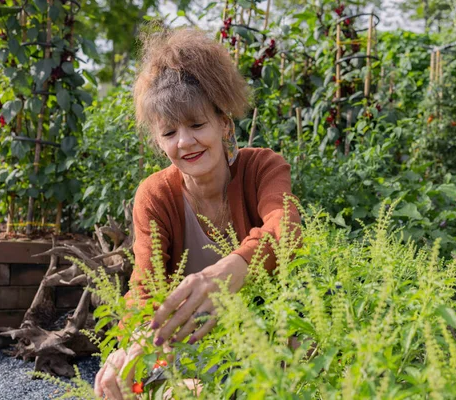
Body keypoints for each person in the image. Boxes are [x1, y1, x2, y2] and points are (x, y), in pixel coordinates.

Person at [94, 27, 301, 399]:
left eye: (197, 125)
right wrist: (129, 345)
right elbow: (145, 288)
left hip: (263, 336)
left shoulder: (262, 168)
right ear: (159, 142)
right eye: (169, 132)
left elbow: (287, 229)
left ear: (224, 124)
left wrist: (230, 269)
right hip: (189, 348)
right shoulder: (155, 195)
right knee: (132, 380)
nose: (185, 142)